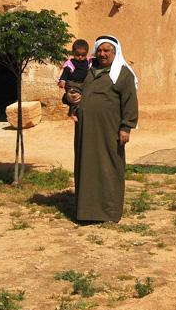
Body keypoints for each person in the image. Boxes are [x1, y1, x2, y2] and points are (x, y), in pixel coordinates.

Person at [73, 35, 138, 222]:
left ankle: (109, 211)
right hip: (85, 131)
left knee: (109, 166)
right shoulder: (88, 71)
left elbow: (130, 103)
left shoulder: (123, 74)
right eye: (99, 50)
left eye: (107, 50)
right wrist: (71, 98)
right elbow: (73, 89)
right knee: (86, 166)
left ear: (115, 53)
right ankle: (86, 211)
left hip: (109, 131)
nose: (102, 54)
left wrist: (126, 127)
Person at [58, 39, 91, 120]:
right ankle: (72, 112)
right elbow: (65, 73)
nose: (80, 57)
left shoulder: (88, 62)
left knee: (82, 98)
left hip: (82, 84)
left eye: (83, 55)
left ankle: (73, 110)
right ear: (73, 53)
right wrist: (62, 81)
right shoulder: (70, 63)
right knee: (74, 97)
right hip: (72, 83)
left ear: (86, 53)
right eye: (77, 55)